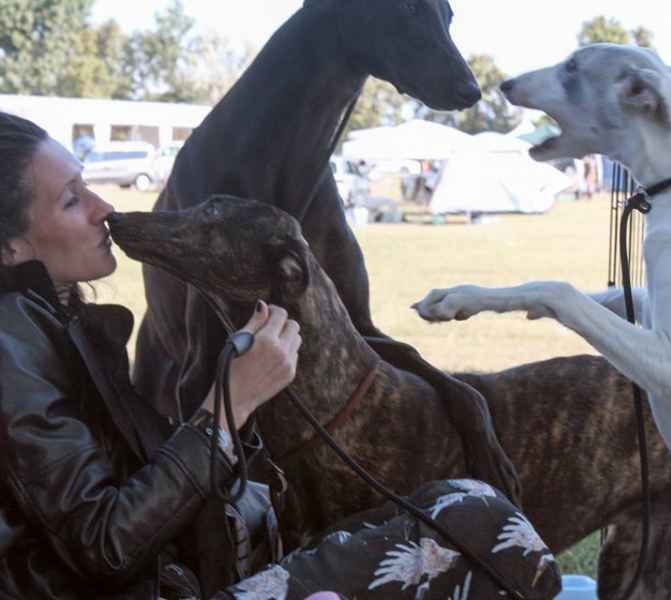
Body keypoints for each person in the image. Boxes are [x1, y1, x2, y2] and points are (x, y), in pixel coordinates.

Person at [0, 112, 561, 600]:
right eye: (73, 199)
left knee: (459, 499)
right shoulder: (11, 351)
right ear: (10, 247)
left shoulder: (49, 323)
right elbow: (106, 544)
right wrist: (226, 410)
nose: (103, 208)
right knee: (477, 520)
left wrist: (232, 409)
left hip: (177, 576)